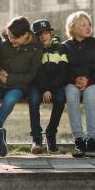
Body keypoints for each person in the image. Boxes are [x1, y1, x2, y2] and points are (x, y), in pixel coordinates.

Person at [0, 16, 42, 157]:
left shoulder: (36, 49)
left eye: (14, 38)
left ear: (25, 35)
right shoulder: (5, 44)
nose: (10, 40)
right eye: (9, 36)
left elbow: (30, 76)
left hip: (18, 85)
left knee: (10, 100)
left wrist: (10, 78)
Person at [63, 11, 95, 158]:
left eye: (89, 24)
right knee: (70, 93)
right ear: (73, 27)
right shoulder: (65, 46)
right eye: (83, 25)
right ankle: (79, 139)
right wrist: (74, 80)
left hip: (93, 83)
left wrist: (89, 80)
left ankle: (92, 140)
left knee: (89, 94)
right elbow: (63, 69)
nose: (88, 27)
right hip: (72, 83)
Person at [28, 19, 69, 154]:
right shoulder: (34, 50)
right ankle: (37, 138)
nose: (43, 36)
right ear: (34, 36)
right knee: (33, 99)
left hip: (55, 84)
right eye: (39, 34)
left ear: (51, 33)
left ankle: (51, 133)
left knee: (60, 99)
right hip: (37, 84)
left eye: (46, 33)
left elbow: (64, 70)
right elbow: (37, 73)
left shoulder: (60, 48)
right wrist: (45, 89)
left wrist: (51, 88)